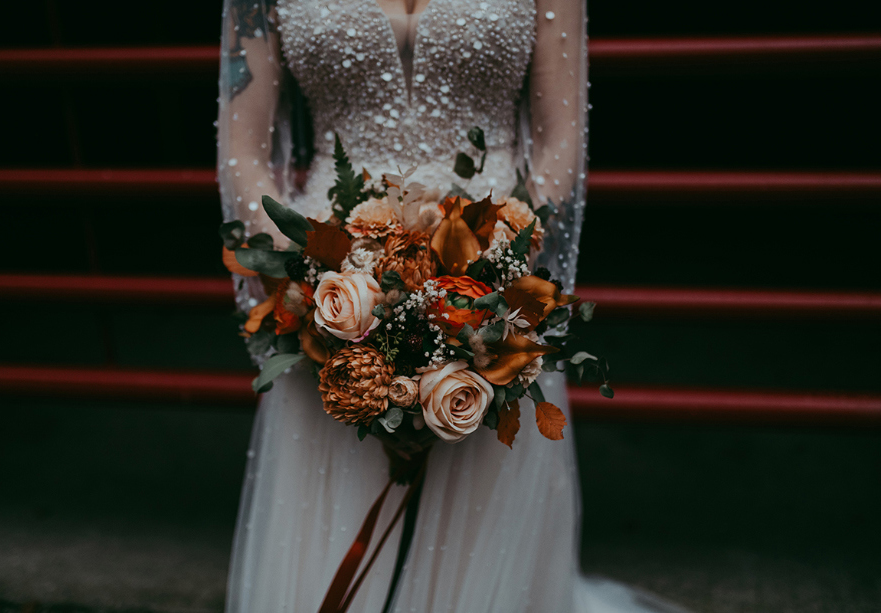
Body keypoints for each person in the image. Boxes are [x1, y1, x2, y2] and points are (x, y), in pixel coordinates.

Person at [218, 1, 690, 611]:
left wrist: (494, 269)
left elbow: (559, 142)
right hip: (334, 290)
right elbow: (244, 153)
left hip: (493, 289)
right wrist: (307, 273)